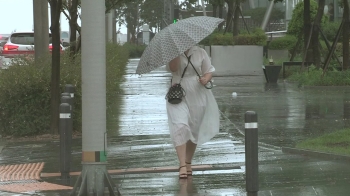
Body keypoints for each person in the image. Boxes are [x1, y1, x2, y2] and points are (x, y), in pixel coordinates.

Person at [166, 46, 220, 179]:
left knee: (194, 128)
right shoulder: (172, 51)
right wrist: (176, 52)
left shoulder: (200, 52)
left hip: (197, 92)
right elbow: (173, 68)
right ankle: (182, 164)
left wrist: (206, 79)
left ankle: (188, 161)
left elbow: (208, 71)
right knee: (180, 126)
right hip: (177, 92)